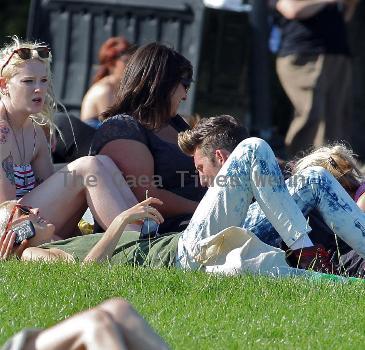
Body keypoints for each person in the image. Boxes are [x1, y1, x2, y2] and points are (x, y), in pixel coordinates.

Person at [0, 117, 344, 277]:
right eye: (24, 213)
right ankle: (305, 250)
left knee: (311, 181)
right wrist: (119, 222)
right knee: (254, 150)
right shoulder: (34, 256)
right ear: (14, 235)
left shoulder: (64, 240)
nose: (34, 209)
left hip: (185, 247)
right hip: (181, 254)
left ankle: (328, 269)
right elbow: (87, 273)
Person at [0, 37, 144, 239]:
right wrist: (62, 244)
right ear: (4, 84)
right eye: (28, 81)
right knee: (88, 167)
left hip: (36, 222)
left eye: (43, 80)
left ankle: (145, 231)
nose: (39, 89)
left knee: (103, 162)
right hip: (13, 230)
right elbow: (6, 216)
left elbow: (54, 193)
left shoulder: (33, 129)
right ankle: (136, 244)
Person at [89, 42, 207, 233]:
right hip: (155, 235)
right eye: (184, 85)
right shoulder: (122, 129)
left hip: (191, 222)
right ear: (161, 83)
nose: (185, 95)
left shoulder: (175, 123)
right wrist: (206, 209)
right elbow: (146, 197)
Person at [274, 0, 358, 157]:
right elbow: (292, 10)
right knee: (312, 115)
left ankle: (336, 169)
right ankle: (301, 169)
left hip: (337, 53)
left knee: (336, 118)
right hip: (303, 56)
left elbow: (344, 17)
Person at [1, 298, 169, 350]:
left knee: (119, 308)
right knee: (95, 323)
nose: (36, 211)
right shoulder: (31, 253)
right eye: (21, 212)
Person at [80, 36, 132, 128]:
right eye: (127, 61)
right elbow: (113, 127)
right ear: (112, 63)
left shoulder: (118, 87)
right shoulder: (104, 89)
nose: (131, 66)